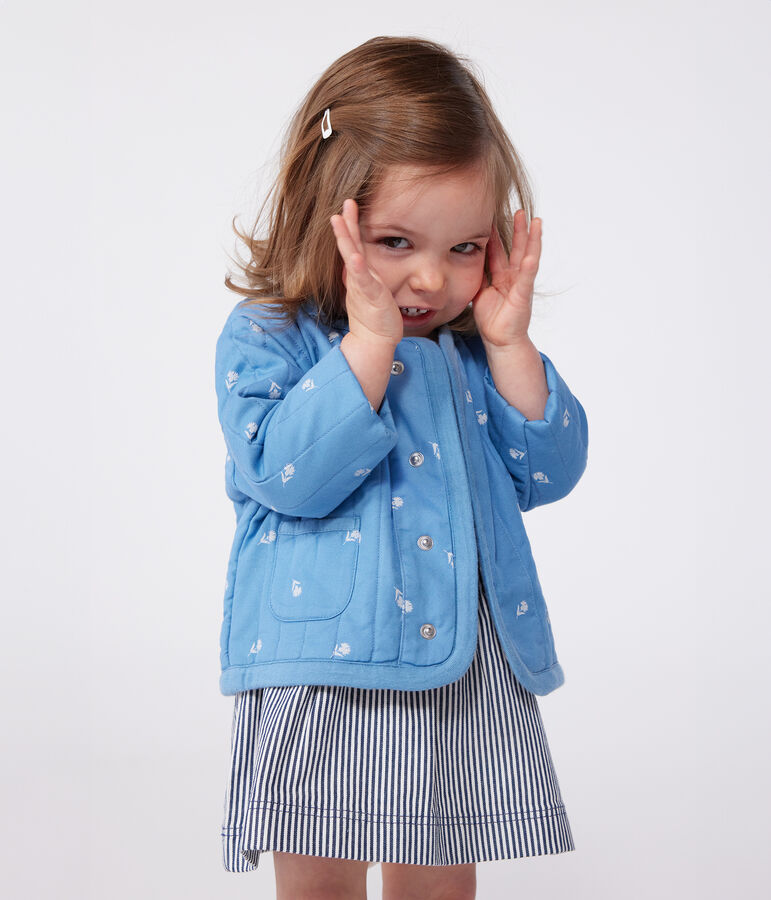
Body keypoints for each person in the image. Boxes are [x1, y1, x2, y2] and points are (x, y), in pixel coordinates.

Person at [215, 35, 589, 900]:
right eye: (394, 241)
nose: (430, 277)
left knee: (437, 879)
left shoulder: (470, 353)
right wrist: (372, 344)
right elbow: (284, 474)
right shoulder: (273, 336)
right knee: (320, 882)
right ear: (326, 212)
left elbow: (549, 471)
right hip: (326, 663)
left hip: (455, 653)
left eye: (463, 248)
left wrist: (508, 343)